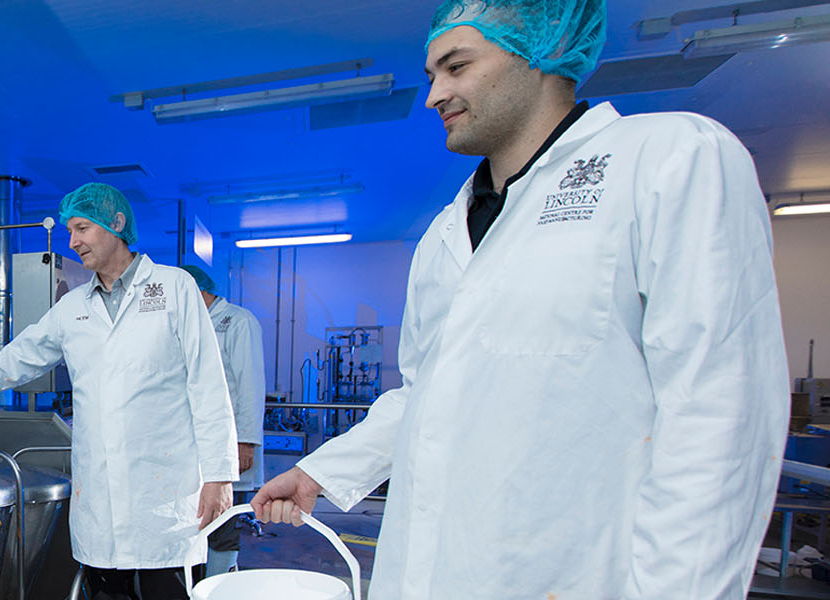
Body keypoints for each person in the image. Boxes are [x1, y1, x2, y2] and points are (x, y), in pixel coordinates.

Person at [252, 1, 789, 597]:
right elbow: (422, 396)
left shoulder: (667, 159)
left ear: (541, 53)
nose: (435, 95)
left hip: (574, 574)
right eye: (432, 75)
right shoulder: (443, 233)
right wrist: (319, 472)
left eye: (456, 67)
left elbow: (717, 416)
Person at [0, 183, 238, 599]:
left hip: (163, 497)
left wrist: (219, 476)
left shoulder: (174, 288)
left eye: (82, 229)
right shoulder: (73, 307)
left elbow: (208, 384)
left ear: (116, 225)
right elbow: (11, 363)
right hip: (100, 505)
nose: (73, 242)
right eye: (71, 231)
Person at [180, 265, 266, 577]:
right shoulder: (195, 323)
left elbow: (250, 385)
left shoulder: (238, 322)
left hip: (230, 441)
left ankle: (218, 586)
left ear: (194, 290)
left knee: (223, 521)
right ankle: (201, 583)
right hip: (197, 446)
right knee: (202, 520)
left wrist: (245, 441)